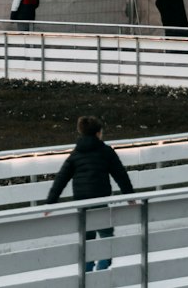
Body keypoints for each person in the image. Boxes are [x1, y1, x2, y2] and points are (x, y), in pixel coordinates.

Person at [46, 116, 134, 272]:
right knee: (106, 233)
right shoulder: (106, 152)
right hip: (100, 199)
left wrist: (50, 203)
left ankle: (87, 270)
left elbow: (61, 178)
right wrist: (130, 197)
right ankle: (103, 267)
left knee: (87, 237)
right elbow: (120, 174)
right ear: (98, 134)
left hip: (82, 202)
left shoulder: (75, 154)